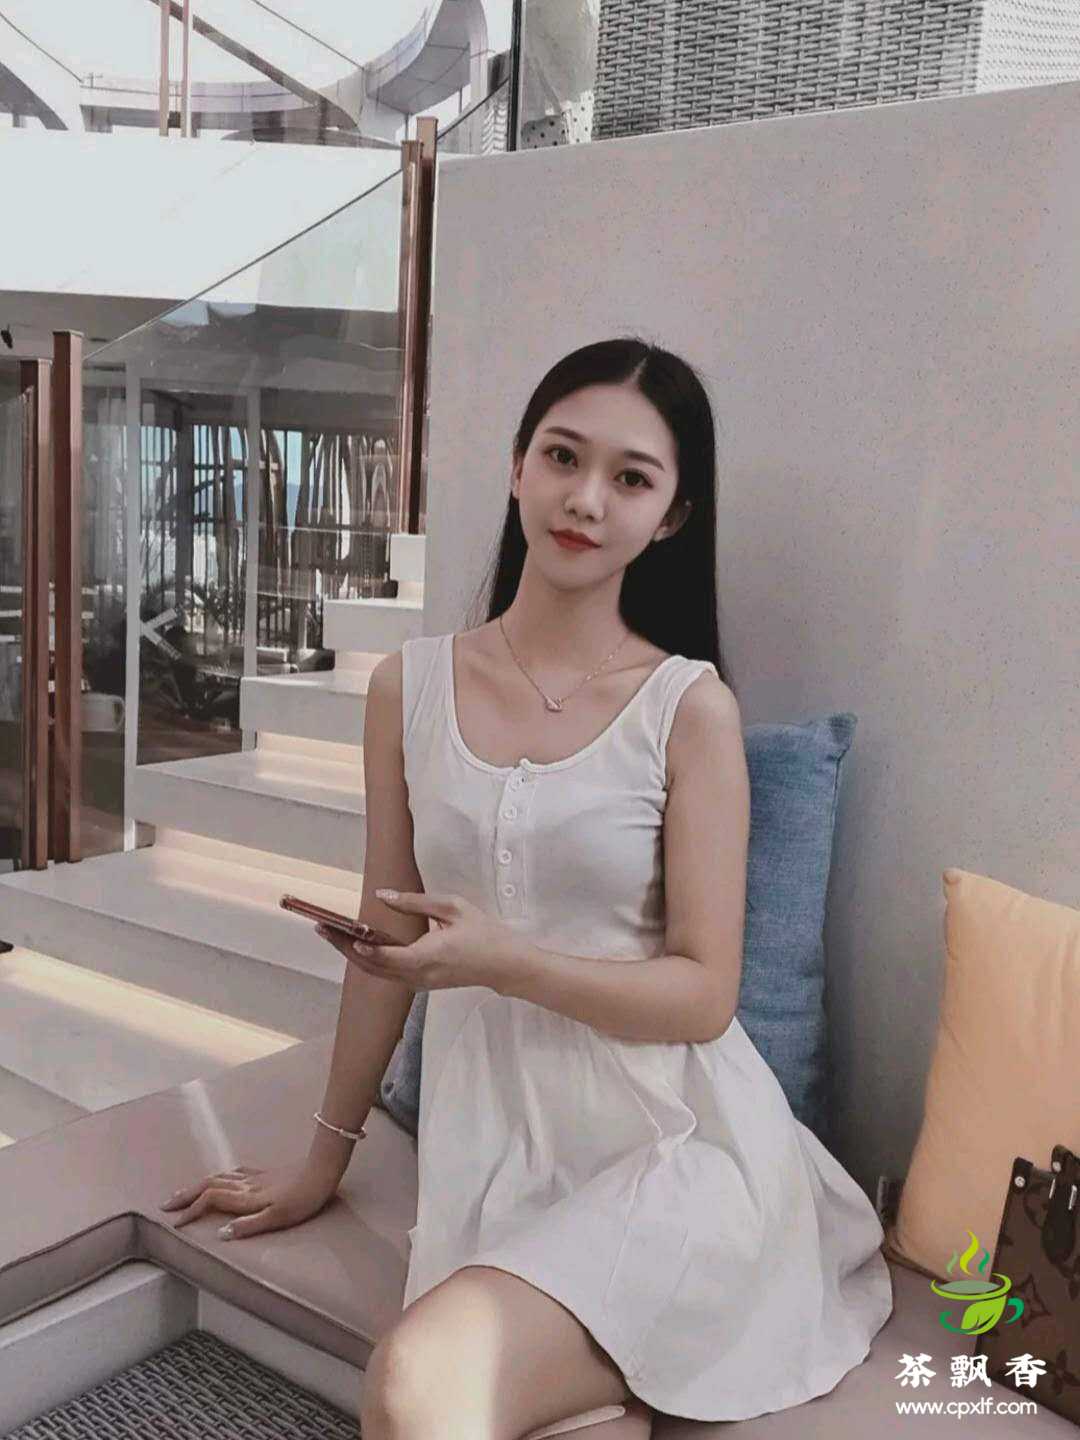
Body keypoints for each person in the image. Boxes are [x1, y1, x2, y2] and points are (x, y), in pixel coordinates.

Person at [159, 338, 894, 1439]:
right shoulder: (409, 688)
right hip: (498, 1151)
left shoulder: (688, 708)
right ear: (517, 466)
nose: (586, 498)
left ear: (673, 517)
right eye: (563, 456)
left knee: (420, 1386)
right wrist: (323, 1160)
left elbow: (703, 995)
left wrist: (504, 962)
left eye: (632, 478)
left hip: (676, 1150)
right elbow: (383, 950)